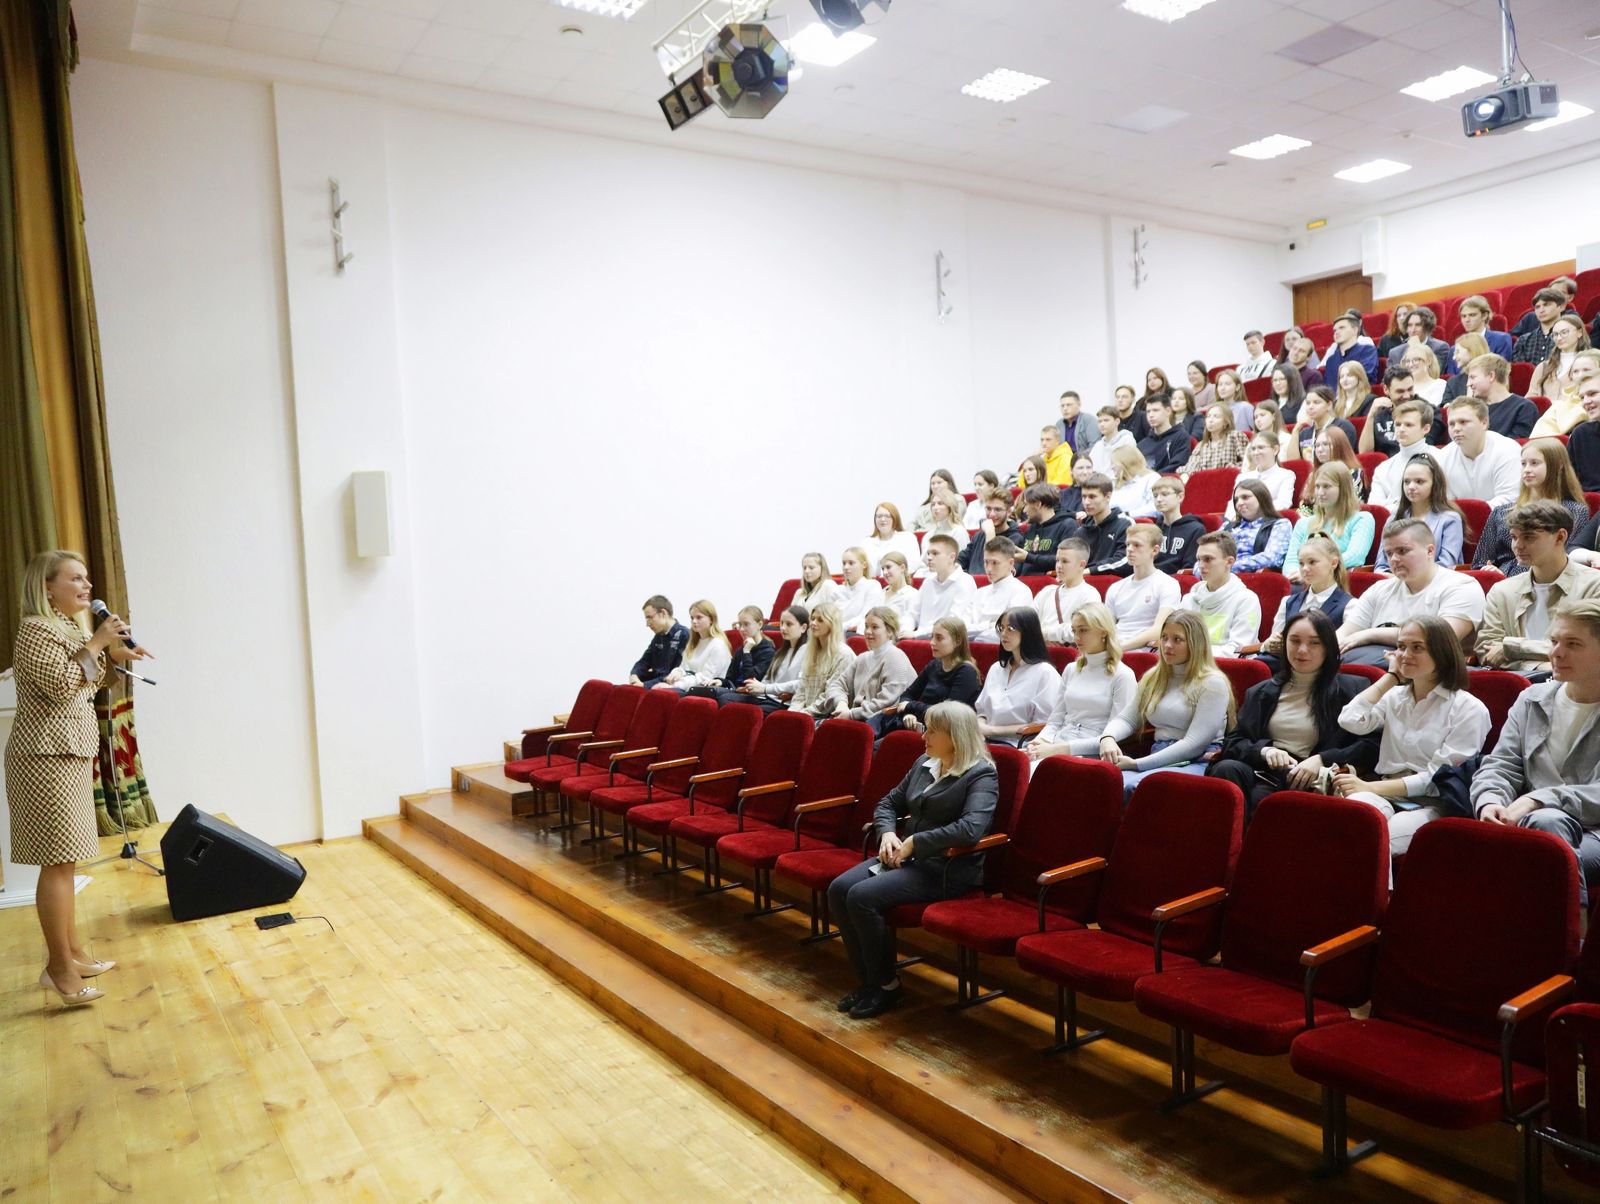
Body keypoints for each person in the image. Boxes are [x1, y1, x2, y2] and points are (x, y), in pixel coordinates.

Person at [6, 550, 149, 1006]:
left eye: (86, 578)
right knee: (57, 861)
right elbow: (61, 684)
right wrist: (98, 643)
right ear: (47, 587)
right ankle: (58, 969)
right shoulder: (35, 629)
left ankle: (72, 953)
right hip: (43, 757)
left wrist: (115, 652)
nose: (87, 586)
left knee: (66, 862)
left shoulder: (69, 628)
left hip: (68, 753)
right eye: (76, 579)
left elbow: (89, 679)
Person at [828, 701, 999, 1020]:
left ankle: (886, 985)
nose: (924, 735)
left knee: (861, 897)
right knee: (839, 889)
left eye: (932, 731)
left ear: (955, 736)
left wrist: (914, 843)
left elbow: (971, 828)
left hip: (946, 868)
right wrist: (887, 834)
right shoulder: (925, 762)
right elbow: (888, 804)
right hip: (907, 858)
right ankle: (868, 981)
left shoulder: (981, 774)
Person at [1472, 598, 1600, 897]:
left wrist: (1538, 800)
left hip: (1592, 830)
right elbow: (1501, 765)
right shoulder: (1532, 699)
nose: (1556, 653)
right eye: (1554, 641)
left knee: (1545, 830)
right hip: (1531, 825)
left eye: (1573, 644)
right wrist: (1490, 802)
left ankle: (1573, 924)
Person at [1335, 616, 1490, 858]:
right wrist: (1392, 677)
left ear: (1442, 653)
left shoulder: (1469, 709)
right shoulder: (1394, 696)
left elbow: (1436, 778)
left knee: (1381, 841)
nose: (1405, 655)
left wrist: (1369, 786)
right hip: (1384, 790)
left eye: (1417, 647)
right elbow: (1350, 720)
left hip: (1432, 802)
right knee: (1350, 822)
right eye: (1401, 646)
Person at [1207, 610, 1380, 819]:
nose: (1302, 650)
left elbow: (1371, 745)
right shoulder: (1261, 691)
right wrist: (1265, 751)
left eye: (1314, 643)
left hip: (1308, 777)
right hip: (1263, 769)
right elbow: (1234, 741)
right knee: (1226, 770)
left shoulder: (1352, 689)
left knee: (1259, 799)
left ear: (1328, 647)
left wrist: (1323, 759)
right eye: (1295, 641)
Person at [1098, 611, 1234, 797]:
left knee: (1135, 787)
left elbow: (1194, 744)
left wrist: (1137, 764)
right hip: (1158, 754)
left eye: (1177, 639)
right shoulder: (1154, 677)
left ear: (1195, 643)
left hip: (1196, 760)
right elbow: (1128, 719)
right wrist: (1108, 737)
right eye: (1164, 637)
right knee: (1105, 783)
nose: (1167, 645)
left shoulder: (1212, 683)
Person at [1335, 518, 1485, 665]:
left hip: (1435, 672)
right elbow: (1344, 634)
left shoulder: (1462, 586)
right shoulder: (1379, 589)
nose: (1394, 559)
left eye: (1402, 551)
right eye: (1389, 553)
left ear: (1430, 551)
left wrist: (1369, 634)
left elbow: (1439, 639)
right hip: (1373, 668)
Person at [1476, 501, 1600, 676]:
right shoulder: (1502, 591)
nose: (1517, 546)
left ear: (1560, 537)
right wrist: (1540, 667)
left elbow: (1588, 649)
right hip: (1519, 683)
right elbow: (1487, 651)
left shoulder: (1594, 585)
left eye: (1529, 537)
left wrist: (1512, 647)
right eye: (1514, 537)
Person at [1027, 603, 1137, 759]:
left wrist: (1057, 749)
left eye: (1083, 630)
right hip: (1059, 742)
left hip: (1092, 752)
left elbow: (1114, 736)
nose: (1076, 637)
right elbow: (1055, 720)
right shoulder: (1071, 669)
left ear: (1103, 632)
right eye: (1074, 630)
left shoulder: (1123, 675)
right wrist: (1039, 742)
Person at [1472, 440, 1591, 576]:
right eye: (1523, 464)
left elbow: (1567, 557)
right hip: (1500, 582)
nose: (1527, 469)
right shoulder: (1501, 512)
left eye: (1534, 463)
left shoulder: (1574, 511)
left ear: (1558, 465)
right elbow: (1480, 563)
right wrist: (1490, 572)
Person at [874, 617, 982, 736]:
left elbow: (946, 713)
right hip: (923, 727)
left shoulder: (966, 672)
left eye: (939, 638)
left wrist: (910, 706)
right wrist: (908, 714)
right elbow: (908, 694)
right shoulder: (934, 665)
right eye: (932, 637)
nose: (932, 642)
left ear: (957, 641)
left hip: (949, 735)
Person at [1257, 533, 1353, 666]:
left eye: (1312, 562)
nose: (1305, 569)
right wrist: (1267, 645)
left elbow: (1346, 649)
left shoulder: (1349, 605)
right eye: (1301, 563)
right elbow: (1276, 639)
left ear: (1333, 563)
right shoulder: (1288, 602)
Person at [975, 609, 1061, 746]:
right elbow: (982, 712)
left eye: (1010, 629)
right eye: (1001, 628)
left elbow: (1045, 724)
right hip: (986, 741)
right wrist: (981, 726)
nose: (1003, 634)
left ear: (1028, 632)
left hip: (1020, 744)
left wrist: (992, 730)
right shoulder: (996, 668)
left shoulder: (1045, 672)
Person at [1282, 463, 1375, 581]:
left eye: (1326, 486)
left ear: (1343, 489)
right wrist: (1300, 575)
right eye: (1317, 486)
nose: (1320, 493)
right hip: (1302, 582)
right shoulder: (1303, 524)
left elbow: (1355, 556)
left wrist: (1313, 571)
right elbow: (1290, 562)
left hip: (1338, 582)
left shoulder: (1362, 519)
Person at [1373, 456, 1465, 572]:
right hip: (1396, 580)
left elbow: (1447, 565)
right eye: (1407, 482)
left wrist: (1411, 577)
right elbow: (1381, 567)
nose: (1411, 487)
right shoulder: (1394, 518)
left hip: (1437, 581)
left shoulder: (1450, 519)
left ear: (1434, 484)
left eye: (1419, 481)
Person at [1177, 532, 1262, 658]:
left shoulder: (1247, 600)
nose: (1201, 566)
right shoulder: (1189, 599)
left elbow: (1238, 650)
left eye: (1208, 559)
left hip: (1228, 667)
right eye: (1199, 559)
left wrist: (1190, 652)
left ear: (1229, 562)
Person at [1105, 525, 1182, 649]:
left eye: (1137, 545)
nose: (1130, 549)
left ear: (1155, 550)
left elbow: (1160, 629)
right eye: (1128, 544)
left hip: (1145, 651)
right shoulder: (1116, 587)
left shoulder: (1168, 584)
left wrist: (1120, 648)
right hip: (1114, 648)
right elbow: (1106, 627)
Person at [1437, 396, 1522, 508]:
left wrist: (1473, 512)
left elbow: (1509, 500)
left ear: (1484, 423)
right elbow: (1444, 503)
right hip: (1460, 517)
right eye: (1451, 424)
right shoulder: (1442, 457)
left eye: (1463, 422)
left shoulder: (1508, 450)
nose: (1456, 428)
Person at [842, 607, 918, 723]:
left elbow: (886, 703)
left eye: (875, 627)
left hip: (882, 723)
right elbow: (838, 683)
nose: (868, 631)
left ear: (890, 631)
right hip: (859, 719)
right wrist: (841, 703)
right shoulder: (863, 657)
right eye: (866, 626)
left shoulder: (896, 657)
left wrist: (851, 714)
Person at [729, 605, 809, 710]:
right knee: (726, 699)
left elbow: (801, 684)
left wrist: (765, 688)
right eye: (781, 623)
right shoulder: (781, 652)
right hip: (767, 697)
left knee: (742, 708)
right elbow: (768, 679)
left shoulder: (807, 651)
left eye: (789, 624)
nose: (783, 628)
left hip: (784, 702)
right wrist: (755, 687)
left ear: (803, 628)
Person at [1368, 400, 1442, 511]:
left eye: (1408, 425)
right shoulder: (1383, 468)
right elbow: (1375, 509)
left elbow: (1438, 502)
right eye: (1398, 424)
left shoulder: (1441, 458)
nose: (1401, 429)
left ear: (1426, 429)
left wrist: (1390, 505)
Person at [786, 603, 856, 719]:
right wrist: (792, 712)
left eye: (820, 620)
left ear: (832, 624)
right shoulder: (812, 651)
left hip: (828, 716)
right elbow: (802, 690)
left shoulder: (844, 654)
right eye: (812, 618)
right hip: (807, 714)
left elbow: (830, 695)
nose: (813, 623)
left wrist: (804, 714)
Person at [688, 605, 773, 698]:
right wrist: (720, 681)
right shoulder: (741, 649)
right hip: (736, 692)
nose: (741, 629)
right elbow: (730, 679)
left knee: (723, 698)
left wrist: (747, 652)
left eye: (746, 624)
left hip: (754, 696)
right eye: (740, 624)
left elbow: (750, 679)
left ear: (760, 625)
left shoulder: (768, 651)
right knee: (702, 692)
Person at [964, 539, 1034, 642]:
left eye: (995, 563)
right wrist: (988, 625)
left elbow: (1007, 631)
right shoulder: (979, 593)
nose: (989, 569)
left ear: (1011, 563)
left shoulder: (1021, 592)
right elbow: (961, 628)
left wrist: (977, 628)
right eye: (986, 562)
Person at [909, 534, 977, 637]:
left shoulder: (965, 581)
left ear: (951, 557)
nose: (929, 558)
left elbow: (953, 624)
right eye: (928, 553)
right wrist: (904, 631)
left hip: (946, 641)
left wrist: (916, 634)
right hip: (920, 638)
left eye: (935, 553)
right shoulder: (928, 582)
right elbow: (912, 613)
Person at [1034, 540, 1100, 644]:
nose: (1059, 566)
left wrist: (1046, 634)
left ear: (1081, 565)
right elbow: (1028, 622)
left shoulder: (1090, 594)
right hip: (1039, 650)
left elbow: (1085, 630)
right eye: (1057, 560)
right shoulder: (1047, 592)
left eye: (1065, 561)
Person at [657, 599, 733, 690]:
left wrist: (673, 686)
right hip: (687, 688)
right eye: (692, 618)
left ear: (711, 619)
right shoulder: (693, 643)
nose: (694, 621)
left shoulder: (718, 645)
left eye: (699, 617)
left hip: (706, 690)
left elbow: (705, 678)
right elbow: (684, 668)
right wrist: (677, 672)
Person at [1464, 352, 1539, 438]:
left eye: (1472, 377)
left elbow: (1515, 443)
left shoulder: (1524, 408)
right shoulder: (1475, 409)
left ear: (1491, 376)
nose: (1468, 384)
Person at [1223, 480, 1292, 573]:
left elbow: (1272, 558)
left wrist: (1226, 567)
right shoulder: (1227, 526)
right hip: (1220, 576)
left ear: (1261, 498)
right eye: (1236, 500)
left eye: (1245, 497)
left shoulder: (1279, 525)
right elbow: (1208, 552)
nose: (1239, 503)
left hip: (1252, 577)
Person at [1530, 347, 1600, 438]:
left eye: (1586, 370)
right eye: (1575, 371)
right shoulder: (1559, 406)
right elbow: (1537, 437)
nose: (1580, 375)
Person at [1015, 483, 1079, 576]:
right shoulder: (1031, 528)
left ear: (1038, 504)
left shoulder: (1067, 525)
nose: (1024, 510)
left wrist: (1028, 558)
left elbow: (1064, 560)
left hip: (1050, 582)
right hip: (1024, 582)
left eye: (1026, 504)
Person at [1298, 424, 1364, 511]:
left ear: (1339, 446)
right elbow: (1304, 508)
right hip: (1314, 518)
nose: (1320, 450)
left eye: (1325, 444)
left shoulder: (1354, 473)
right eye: (1317, 445)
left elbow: (1351, 505)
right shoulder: (1313, 475)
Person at [1076, 474, 1133, 575]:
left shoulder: (1126, 524)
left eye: (1092, 497)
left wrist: (1090, 571)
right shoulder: (1080, 531)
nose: (1086, 502)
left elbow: (1126, 560)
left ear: (1108, 497)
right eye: (1084, 497)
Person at [959, 489, 1023, 575]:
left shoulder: (1015, 538)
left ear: (1009, 512)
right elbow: (960, 560)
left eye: (997, 509)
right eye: (988, 509)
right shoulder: (979, 536)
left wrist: (990, 534)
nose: (992, 514)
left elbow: (998, 570)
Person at [1149, 476, 1206, 574]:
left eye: (1164, 494)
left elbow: (1189, 567)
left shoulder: (1195, 529)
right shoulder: (1153, 529)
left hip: (1176, 579)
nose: (1158, 499)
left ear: (1180, 497)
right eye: (1155, 496)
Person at [1528, 315, 1592, 401]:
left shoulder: (1592, 363)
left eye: (1564, 332)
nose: (1559, 338)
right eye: (1555, 334)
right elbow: (1531, 398)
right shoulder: (1543, 367)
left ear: (1579, 332)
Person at [1229, 435, 1296, 516]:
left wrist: (1253, 511)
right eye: (1253, 449)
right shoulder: (1242, 477)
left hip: (1269, 519)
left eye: (1261, 448)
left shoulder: (1286, 475)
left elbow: (1284, 503)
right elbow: (1232, 506)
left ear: (1275, 449)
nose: (1256, 452)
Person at [629, 595, 689, 685]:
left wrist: (644, 685)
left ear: (663, 613)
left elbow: (675, 674)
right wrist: (634, 675)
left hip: (667, 686)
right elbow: (644, 661)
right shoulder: (659, 636)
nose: (647, 624)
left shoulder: (684, 635)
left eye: (650, 618)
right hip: (653, 684)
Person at [1180, 403, 1250, 477]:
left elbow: (1247, 463)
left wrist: (1230, 470)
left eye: (1216, 416)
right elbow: (1190, 467)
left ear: (1226, 422)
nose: (1210, 420)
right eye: (1208, 416)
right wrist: (1185, 475)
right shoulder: (1201, 445)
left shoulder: (1235, 436)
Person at [1513, 287, 1573, 364]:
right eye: (1537, 307)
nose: (1541, 310)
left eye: (1546, 305)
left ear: (1561, 307)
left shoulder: (1571, 336)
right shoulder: (1523, 340)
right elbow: (1522, 369)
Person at [834, 547, 886, 634]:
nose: (846, 567)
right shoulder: (838, 590)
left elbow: (866, 617)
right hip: (836, 633)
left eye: (851, 563)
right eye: (844, 563)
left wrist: (840, 627)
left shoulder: (872, 586)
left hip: (857, 634)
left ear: (864, 565)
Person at [1137, 394, 1192, 474]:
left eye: (1156, 410)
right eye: (1148, 411)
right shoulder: (1142, 445)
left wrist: (1152, 477)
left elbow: (1178, 465)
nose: (1151, 415)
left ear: (1168, 411)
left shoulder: (1180, 436)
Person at [865, 502, 923, 575]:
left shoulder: (907, 538)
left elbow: (913, 564)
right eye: (879, 516)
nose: (883, 519)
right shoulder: (867, 542)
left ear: (895, 518)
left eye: (887, 516)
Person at [1108, 443, 1161, 520]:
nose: (1111, 467)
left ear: (1125, 462)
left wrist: (1128, 514)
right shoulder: (1113, 482)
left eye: (1113, 463)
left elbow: (1156, 507)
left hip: (1139, 524)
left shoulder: (1151, 478)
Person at [1322, 313, 1379, 385]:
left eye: (1342, 328)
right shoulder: (1331, 360)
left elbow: (1364, 377)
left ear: (1355, 330)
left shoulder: (1367, 351)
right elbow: (1328, 386)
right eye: (1335, 330)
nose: (1336, 332)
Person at [1568, 373, 1600, 492]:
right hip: (1584, 501)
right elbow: (1568, 482)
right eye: (1582, 397)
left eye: (1592, 394)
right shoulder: (1580, 434)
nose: (1586, 401)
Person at [1438, 332, 1489, 406]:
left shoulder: (1492, 379)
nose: (1454, 358)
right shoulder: (1453, 382)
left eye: (1457, 352)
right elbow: (1444, 407)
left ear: (1472, 351)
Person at [1458, 293, 1514, 359]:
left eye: (1472, 315)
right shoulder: (1456, 348)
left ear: (1484, 316)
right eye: (1463, 316)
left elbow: (1502, 365)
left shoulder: (1501, 340)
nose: (1467, 320)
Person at [878, 552, 922, 635]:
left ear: (902, 568)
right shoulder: (881, 593)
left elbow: (910, 621)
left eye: (888, 567)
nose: (885, 572)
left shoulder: (912, 594)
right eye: (883, 569)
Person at [1087, 405, 1136, 477]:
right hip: (1099, 482)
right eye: (1099, 421)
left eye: (1106, 420)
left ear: (1117, 421)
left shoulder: (1127, 440)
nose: (1102, 424)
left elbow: (1130, 467)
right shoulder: (1098, 446)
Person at [1404, 306, 1453, 372]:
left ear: (1427, 327)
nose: (1413, 330)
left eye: (1418, 325)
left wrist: (1417, 348)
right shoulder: (1395, 352)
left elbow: (1435, 372)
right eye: (1410, 325)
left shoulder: (1440, 347)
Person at [1056, 390, 1100, 458]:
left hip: (1085, 460)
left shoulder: (1088, 420)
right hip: (1064, 461)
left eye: (1068, 405)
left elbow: (1095, 446)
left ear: (1079, 404)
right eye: (1062, 406)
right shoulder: (1059, 424)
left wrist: (1077, 459)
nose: (1065, 408)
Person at [1010, 455, 1049, 524]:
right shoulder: (1022, 494)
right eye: (1025, 471)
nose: (1027, 474)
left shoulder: (1048, 493)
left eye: (1031, 469)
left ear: (1041, 470)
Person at [1214, 368, 1254, 433]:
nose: (1222, 388)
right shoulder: (1215, 409)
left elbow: (1259, 431)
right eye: (1220, 384)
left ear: (1237, 387)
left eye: (1227, 384)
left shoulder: (1245, 407)